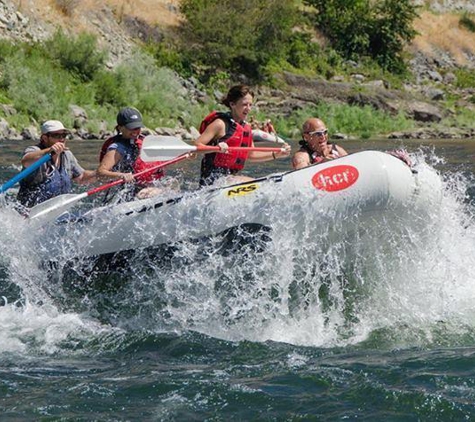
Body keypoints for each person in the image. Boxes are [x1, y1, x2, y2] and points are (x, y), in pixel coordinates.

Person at [195, 85, 291, 186]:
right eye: (245, 104)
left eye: (250, 105)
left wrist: (276, 154)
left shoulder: (246, 128)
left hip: (230, 178)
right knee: (252, 182)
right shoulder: (220, 124)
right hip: (212, 181)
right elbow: (196, 146)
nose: (248, 109)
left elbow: (251, 154)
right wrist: (215, 148)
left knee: (248, 181)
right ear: (232, 104)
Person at [17, 120, 96, 208]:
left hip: (57, 210)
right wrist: (49, 150)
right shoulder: (35, 151)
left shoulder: (67, 155)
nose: (61, 139)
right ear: (45, 138)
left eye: (63, 135)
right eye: (56, 135)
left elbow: (81, 177)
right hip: (30, 210)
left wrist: (99, 174)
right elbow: (25, 161)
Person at [98, 107, 165, 200]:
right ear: (120, 128)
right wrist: (121, 175)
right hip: (127, 193)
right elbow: (101, 172)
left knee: (172, 184)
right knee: (150, 193)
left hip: (145, 187)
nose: (135, 131)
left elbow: (166, 159)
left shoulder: (144, 142)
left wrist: (189, 154)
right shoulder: (117, 148)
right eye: (131, 128)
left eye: (137, 127)